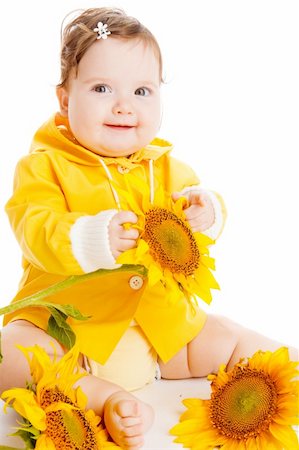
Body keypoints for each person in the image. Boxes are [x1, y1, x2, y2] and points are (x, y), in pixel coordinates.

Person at [0, 7, 297, 450]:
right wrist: (89, 238)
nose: (124, 105)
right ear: (65, 100)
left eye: (142, 90)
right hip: (70, 334)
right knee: (11, 352)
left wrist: (206, 213)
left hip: (160, 336)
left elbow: (200, 209)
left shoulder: (167, 167)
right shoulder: (43, 167)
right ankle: (103, 397)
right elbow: (35, 227)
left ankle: (283, 365)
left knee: (223, 334)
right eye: (102, 88)